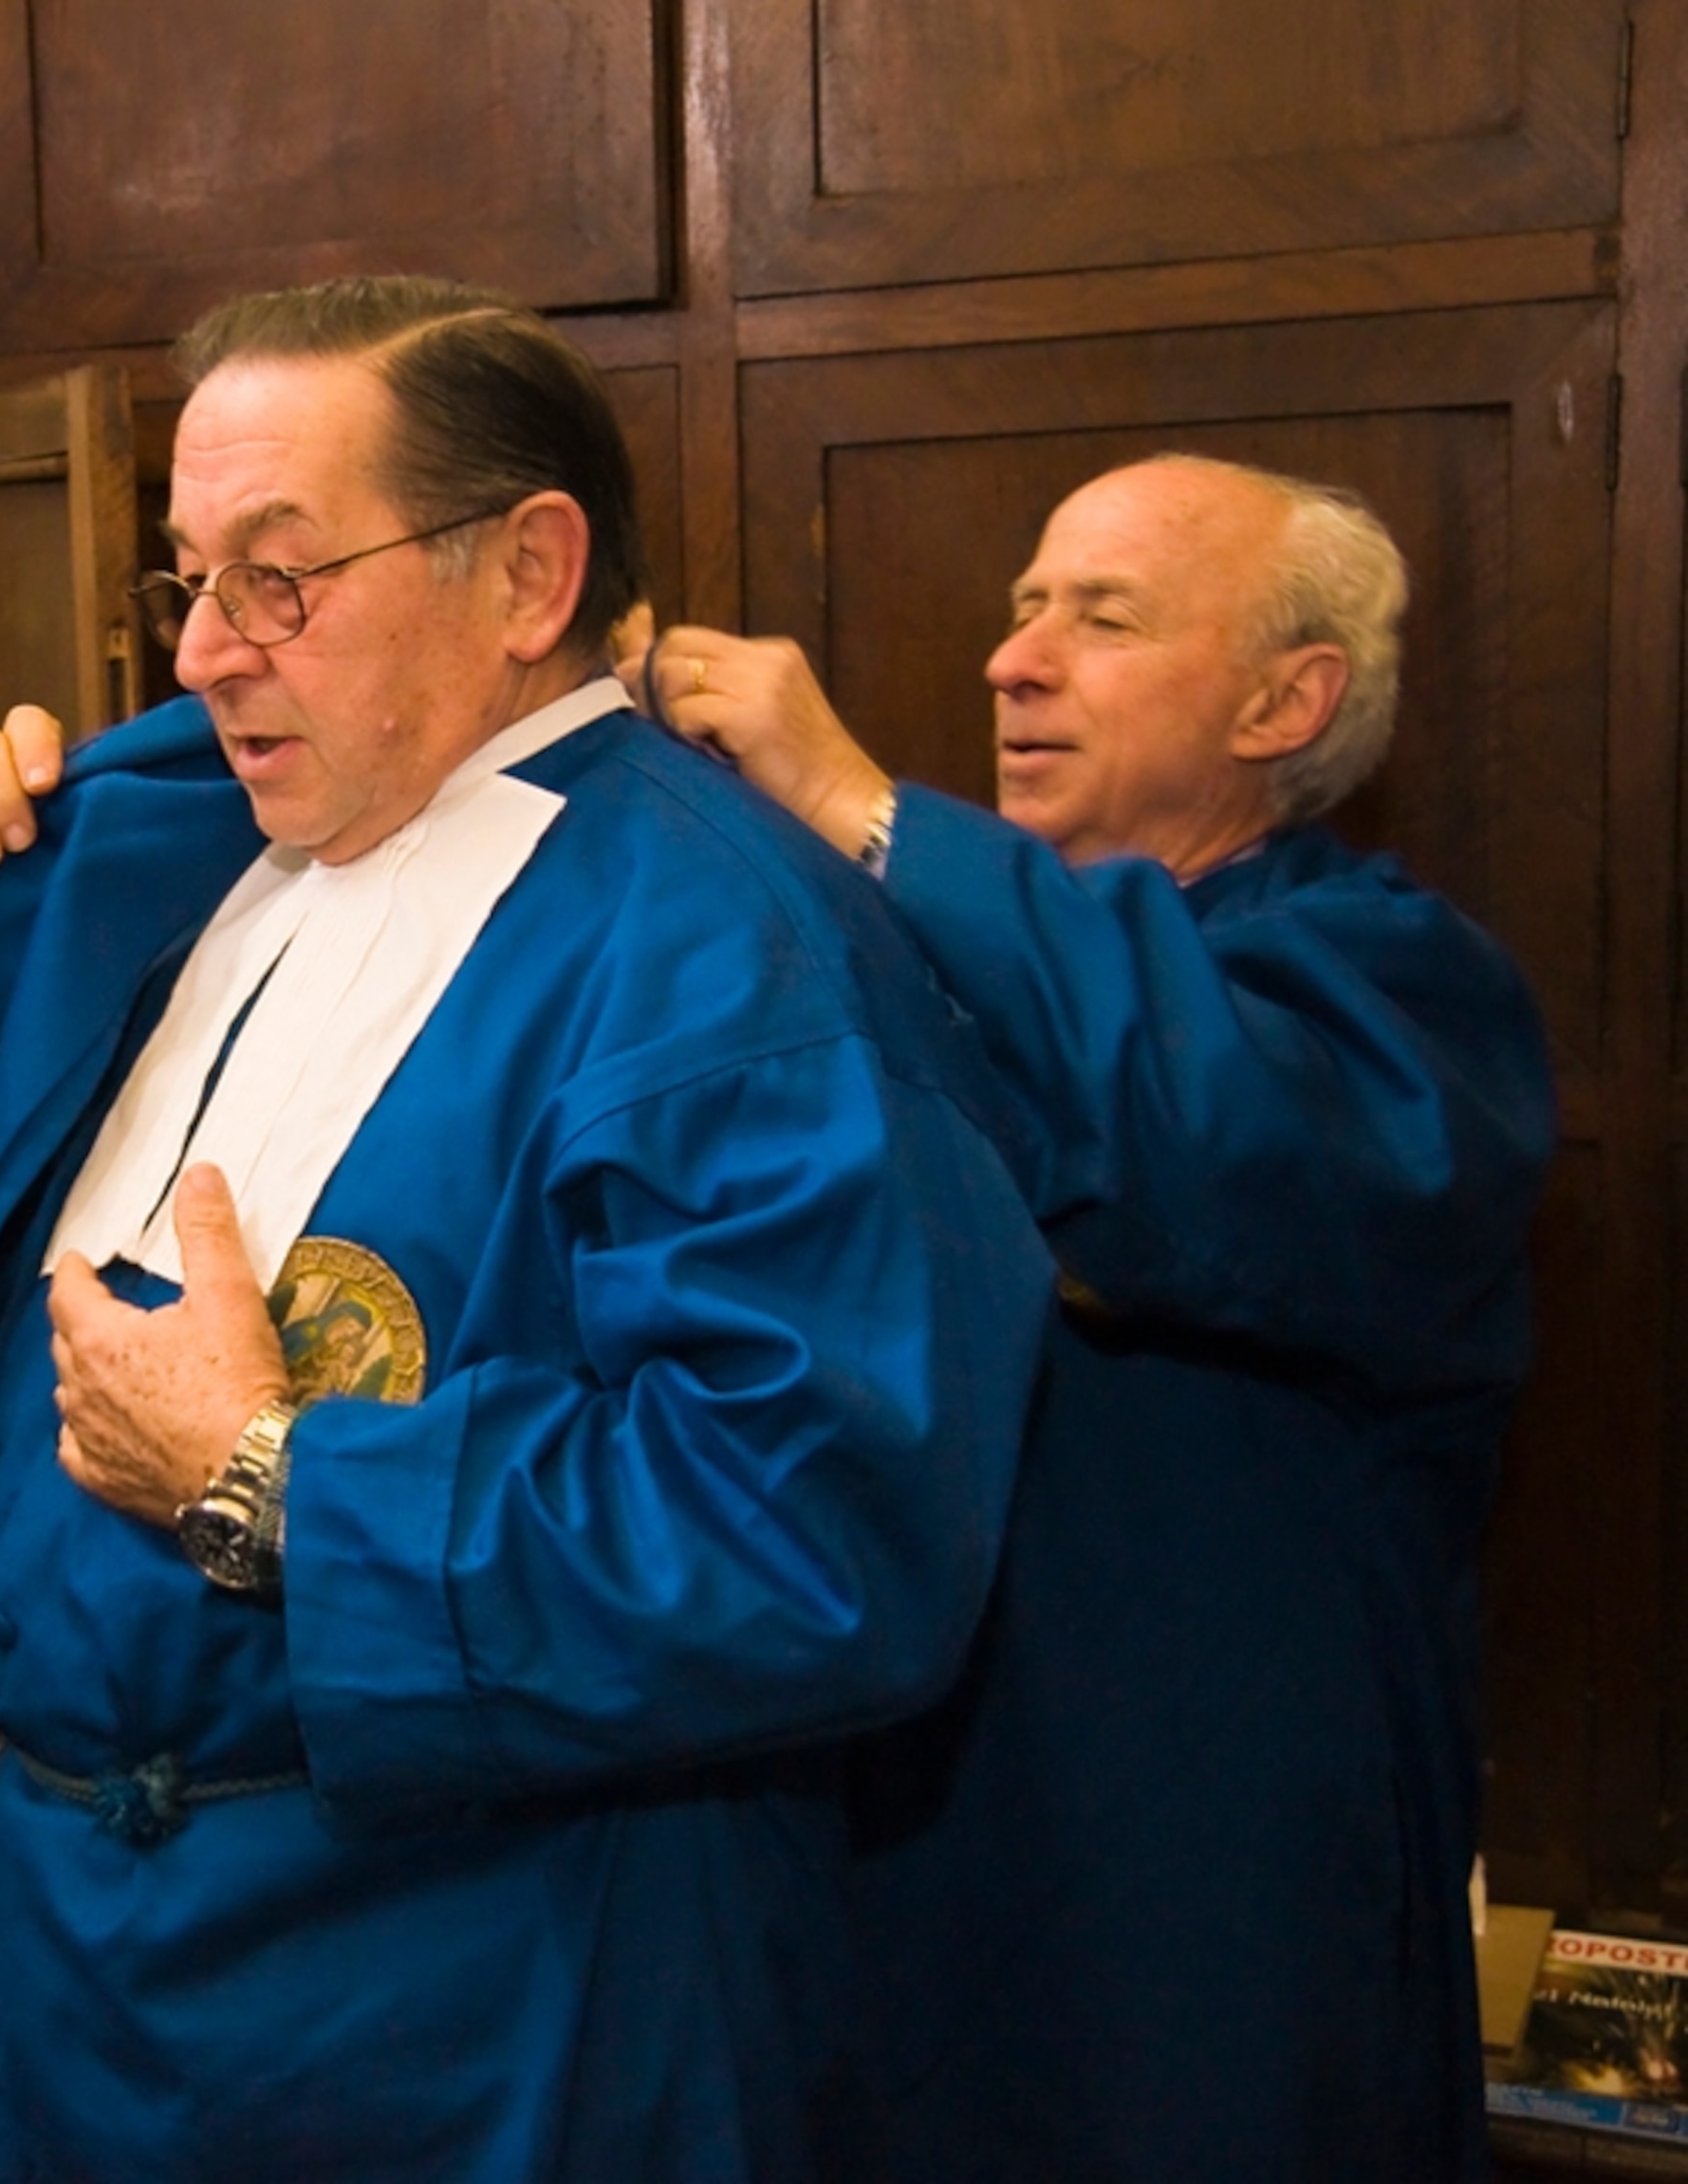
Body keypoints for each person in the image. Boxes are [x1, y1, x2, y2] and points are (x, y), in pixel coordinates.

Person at [0, 275, 1054, 2181]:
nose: (200, 652)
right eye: (187, 580)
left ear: (528, 575)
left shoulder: (723, 953)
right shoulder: (251, 851)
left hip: (447, 1990)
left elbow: (828, 1522)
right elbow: (143, 1275)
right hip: (82, 1944)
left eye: (279, 579)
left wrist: (269, 1476)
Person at [630, 455, 1556, 2181]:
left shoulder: (1406, 992)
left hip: (1196, 1913)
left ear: (1292, 699)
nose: (1014, 660)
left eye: (1101, 617)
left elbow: (1187, 1133)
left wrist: (852, 795)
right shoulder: (903, 959)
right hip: (887, 1853)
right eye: (1020, 608)